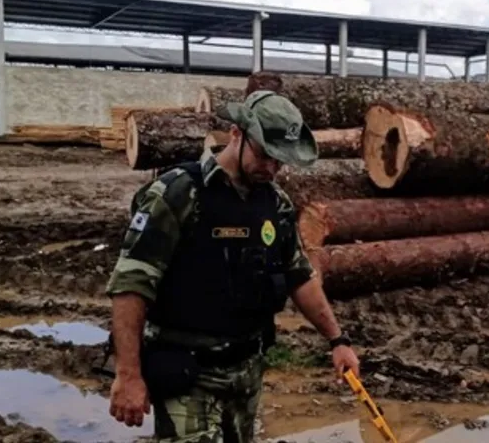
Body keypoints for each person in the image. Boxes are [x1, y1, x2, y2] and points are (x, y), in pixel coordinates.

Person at [104, 90, 360, 442]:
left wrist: (337, 340)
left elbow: (298, 275)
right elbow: (131, 284)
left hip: (246, 374)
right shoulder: (177, 193)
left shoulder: (276, 204)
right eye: (265, 155)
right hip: (187, 372)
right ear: (237, 134)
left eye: (280, 161)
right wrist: (128, 374)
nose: (271, 168)